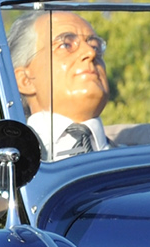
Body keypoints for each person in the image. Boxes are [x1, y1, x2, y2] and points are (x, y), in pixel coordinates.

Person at [11, 10, 111, 160]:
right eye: (66, 45)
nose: (90, 52)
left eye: (95, 46)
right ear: (25, 80)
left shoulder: (147, 167)